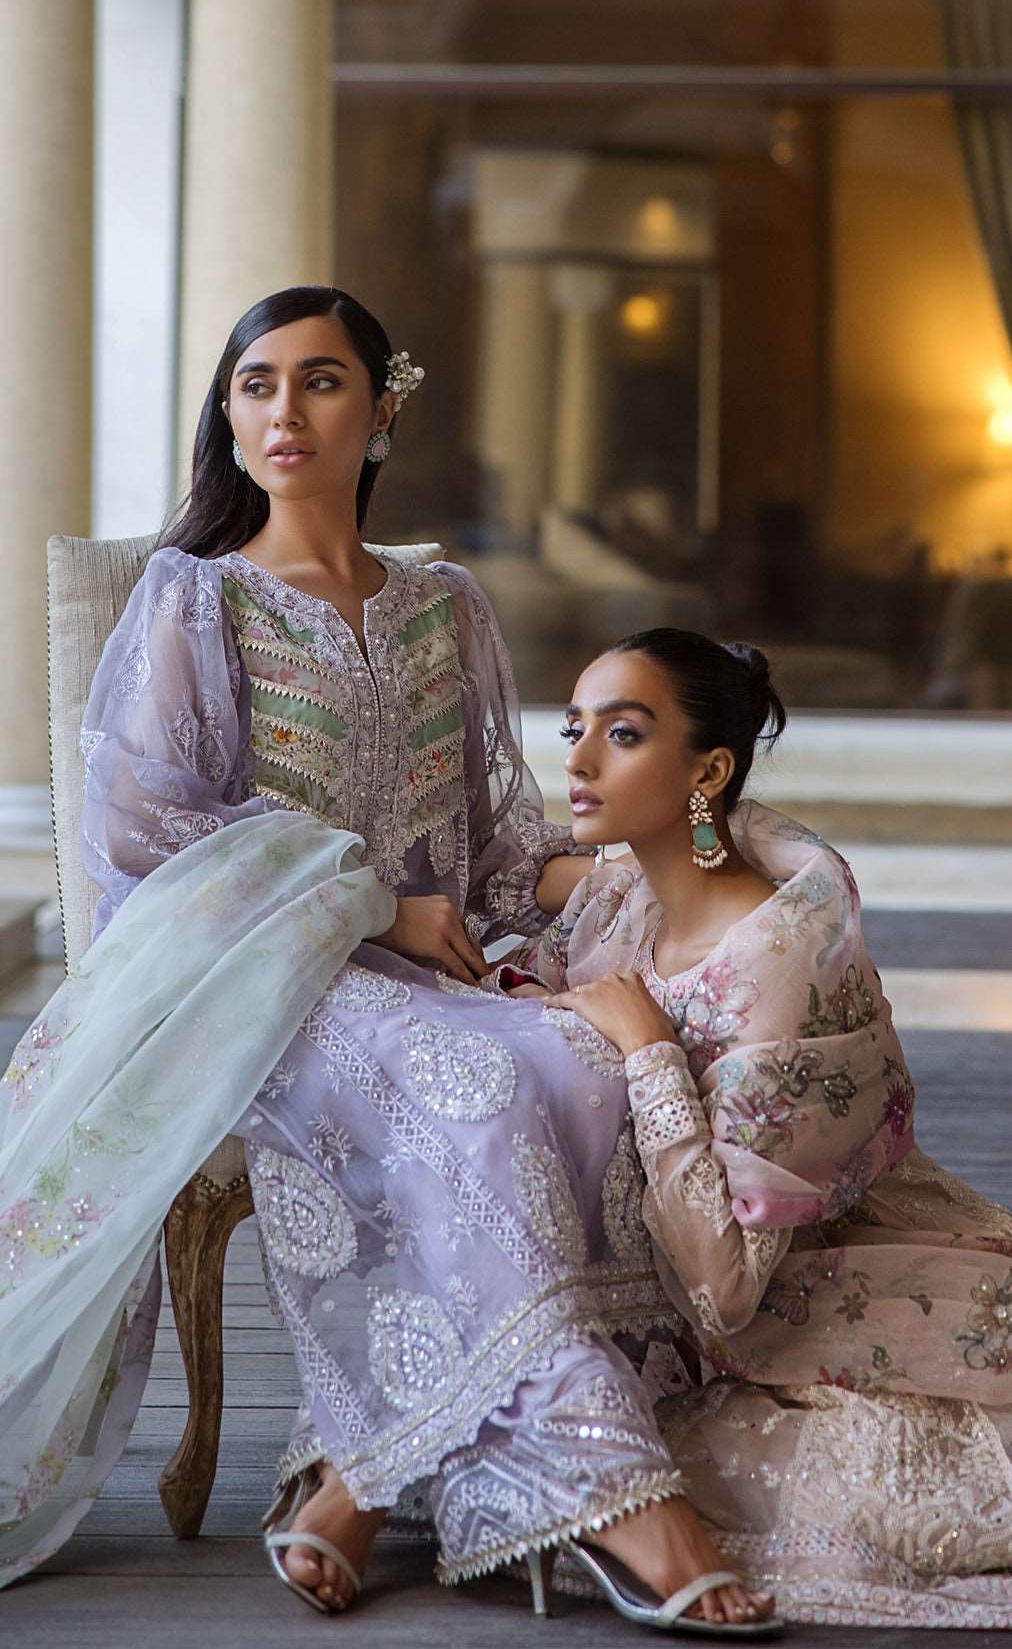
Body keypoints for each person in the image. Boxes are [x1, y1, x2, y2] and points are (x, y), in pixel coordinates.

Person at [0, 286, 775, 1635]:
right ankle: (628, 1498)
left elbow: (492, 842)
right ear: (228, 414)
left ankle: (356, 1476)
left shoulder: (443, 605)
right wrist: (372, 907)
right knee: (476, 1086)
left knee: (591, 1060)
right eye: (254, 384)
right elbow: (153, 836)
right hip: (262, 985)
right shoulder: (196, 600)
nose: (282, 413)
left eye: (318, 382)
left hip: (436, 974)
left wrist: (665, 853)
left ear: (382, 409)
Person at [497, 626, 1012, 1632]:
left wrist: (648, 1052)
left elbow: (727, 1288)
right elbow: (527, 883)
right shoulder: (623, 895)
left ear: (708, 769)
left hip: (814, 1293)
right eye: (574, 726)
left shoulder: (774, 956)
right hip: (659, 1300)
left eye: (625, 732)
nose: (580, 758)